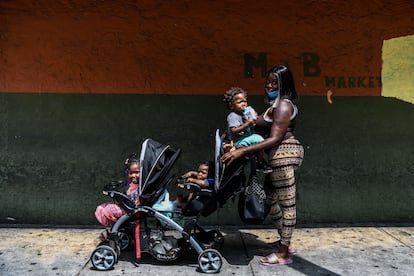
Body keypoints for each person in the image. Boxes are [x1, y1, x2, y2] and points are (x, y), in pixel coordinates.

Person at [221, 65, 304, 266]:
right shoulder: (274, 106)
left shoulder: (284, 105)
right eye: (267, 81)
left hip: (285, 153)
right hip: (274, 157)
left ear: (284, 83)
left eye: (274, 82)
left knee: (287, 203)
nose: (269, 85)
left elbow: (275, 138)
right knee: (270, 199)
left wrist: (242, 150)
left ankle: (284, 253)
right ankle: (285, 242)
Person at [223, 87, 270, 172]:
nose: (243, 104)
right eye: (239, 102)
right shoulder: (233, 116)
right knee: (259, 140)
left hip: (246, 138)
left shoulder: (244, 114)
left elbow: (252, 125)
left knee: (261, 141)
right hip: (239, 141)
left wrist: (254, 117)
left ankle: (259, 160)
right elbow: (234, 131)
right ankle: (259, 161)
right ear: (231, 105)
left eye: (245, 101)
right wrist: (247, 124)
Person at [95, 154, 140, 229]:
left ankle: (115, 229)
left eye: (136, 172)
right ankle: (114, 227)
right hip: (125, 206)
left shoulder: (140, 186)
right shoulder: (131, 184)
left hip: (130, 208)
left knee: (106, 211)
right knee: (100, 208)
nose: (133, 175)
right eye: (131, 173)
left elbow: (136, 202)